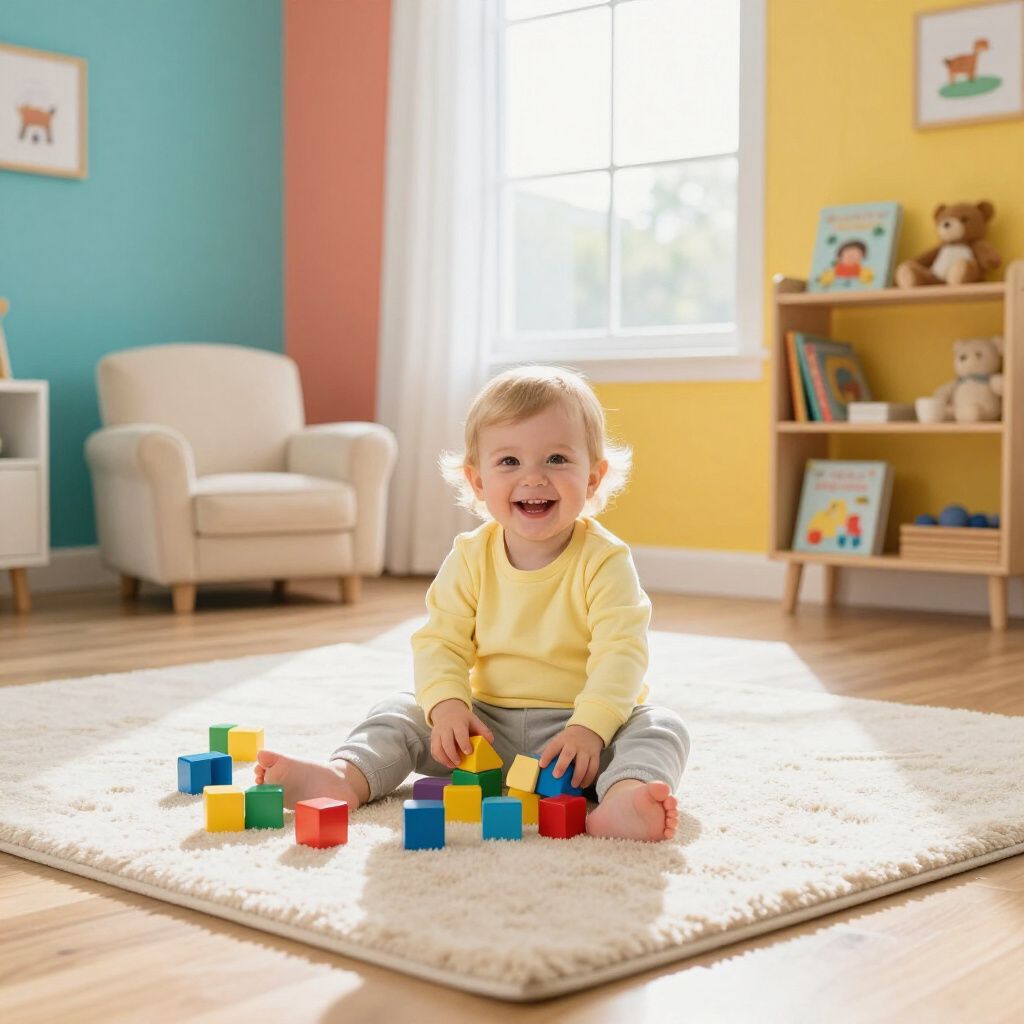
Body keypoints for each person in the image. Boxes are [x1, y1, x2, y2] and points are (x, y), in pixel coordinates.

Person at [256, 365, 690, 841]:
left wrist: (591, 728)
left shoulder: (605, 560)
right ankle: (345, 775)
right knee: (400, 712)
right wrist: (446, 708)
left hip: (577, 740)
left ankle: (623, 797)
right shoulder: (469, 556)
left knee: (660, 726)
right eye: (508, 462)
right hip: (484, 728)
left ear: (593, 477)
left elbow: (621, 655)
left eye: (557, 459)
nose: (534, 477)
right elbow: (440, 641)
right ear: (477, 480)